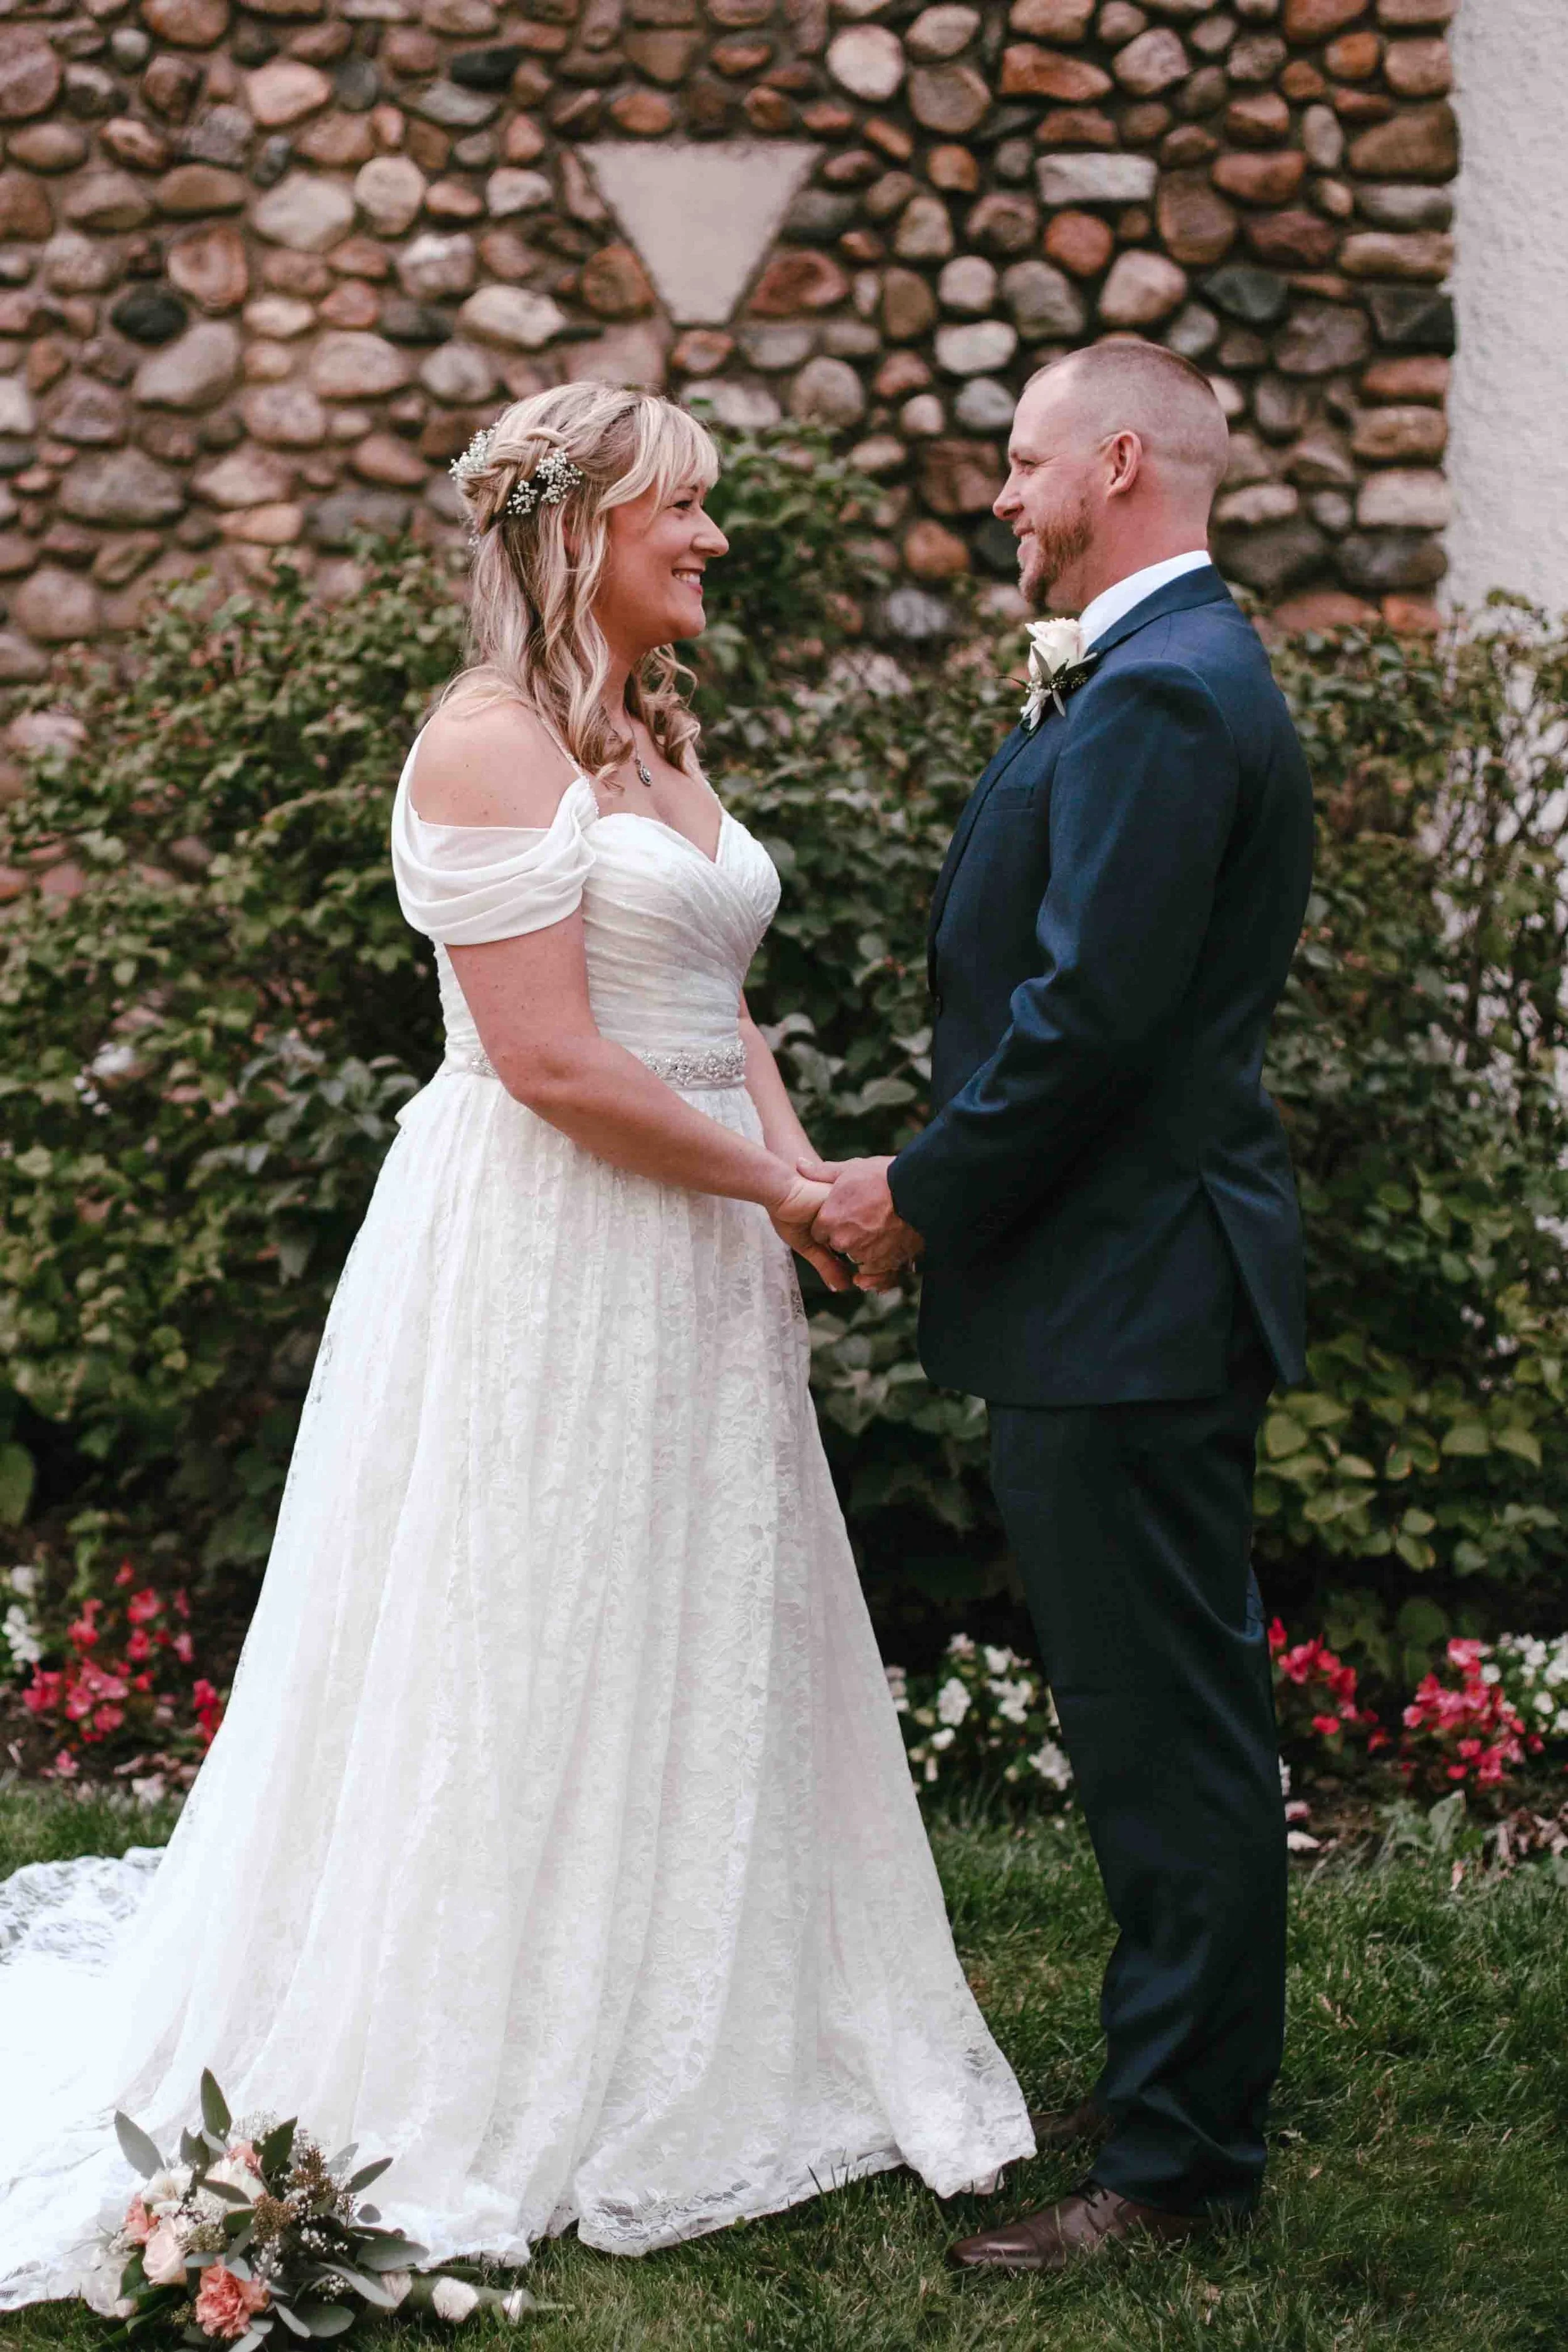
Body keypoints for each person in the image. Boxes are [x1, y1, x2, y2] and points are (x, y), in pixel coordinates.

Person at [0, 383, 1032, 2314]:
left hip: (696, 1252)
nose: (715, 537)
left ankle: (688, 1990)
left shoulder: (648, 733)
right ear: (577, 532)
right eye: (685, 508)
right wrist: (779, 1192)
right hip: (548, 1248)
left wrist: (804, 1183)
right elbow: (554, 1061)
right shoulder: (484, 745)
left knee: (679, 1616)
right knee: (523, 1613)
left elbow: (712, 1006)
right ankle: (488, 2011)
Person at [808, 342, 1314, 2271]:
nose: (998, 497)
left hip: (1129, 1293)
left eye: (1019, 463)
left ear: (1113, 462)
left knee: (1162, 1733)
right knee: (1152, 1725)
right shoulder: (1163, 673)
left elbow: (1089, 1018)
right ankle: (1178, 2101)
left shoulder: (1165, 695)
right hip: (1123, 1288)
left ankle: (1177, 2167)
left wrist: (915, 1194)